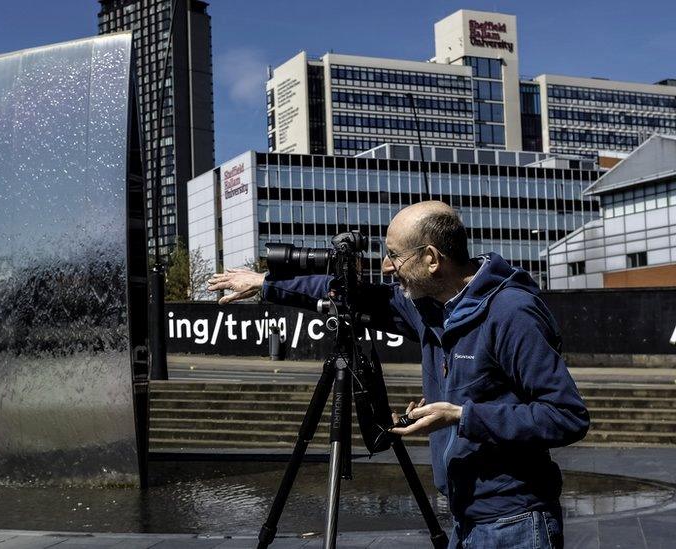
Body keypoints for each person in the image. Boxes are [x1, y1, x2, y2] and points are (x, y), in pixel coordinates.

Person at [206, 201, 589, 549]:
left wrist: (460, 415)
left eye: (394, 256)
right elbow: (353, 295)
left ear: (432, 259)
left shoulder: (510, 313)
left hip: (515, 523)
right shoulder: (429, 307)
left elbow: (566, 416)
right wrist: (264, 283)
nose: (387, 267)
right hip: (466, 518)